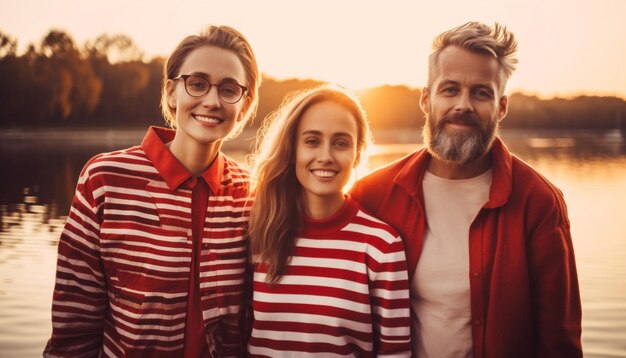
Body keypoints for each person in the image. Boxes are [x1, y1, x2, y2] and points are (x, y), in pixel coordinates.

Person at [351, 21, 582, 357]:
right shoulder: (372, 194)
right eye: (450, 89)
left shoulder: (539, 203)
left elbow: (558, 342)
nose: (463, 104)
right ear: (426, 100)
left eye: (481, 92)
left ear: (501, 107)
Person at [44, 25, 261, 357]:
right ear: (172, 93)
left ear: (244, 106)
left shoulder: (252, 195)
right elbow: (74, 326)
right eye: (198, 84)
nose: (212, 101)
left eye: (229, 89)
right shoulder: (105, 179)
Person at [246, 85, 412, 357]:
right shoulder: (258, 231)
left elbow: (395, 352)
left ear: (357, 153)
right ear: (292, 150)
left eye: (341, 143)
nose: (325, 156)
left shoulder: (382, 246)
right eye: (312, 141)